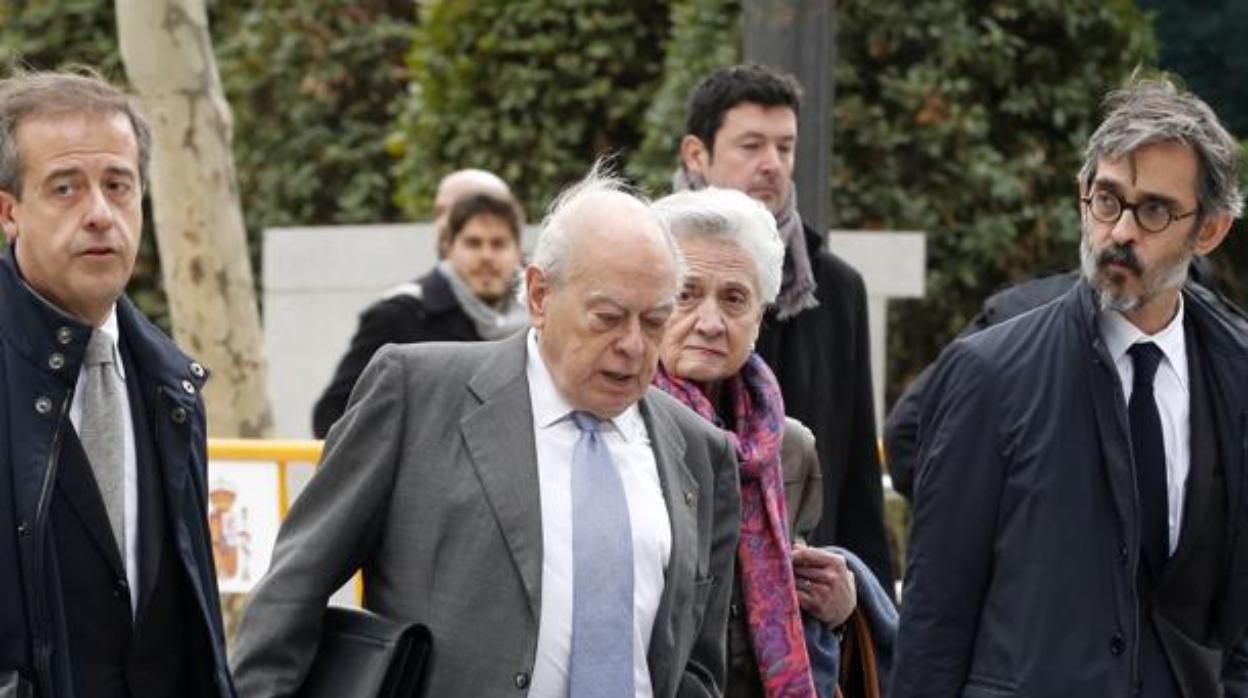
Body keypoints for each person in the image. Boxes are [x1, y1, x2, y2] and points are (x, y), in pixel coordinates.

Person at [231, 166, 742, 697]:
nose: (634, 345)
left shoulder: (700, 451)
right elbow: (295, 586)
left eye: (654, 321)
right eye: (608, 318)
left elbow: (698, 663)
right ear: (540, 295)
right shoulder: (416, 394)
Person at [893, 78, 1248, 695]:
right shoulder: (991, 372)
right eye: (1107, 200)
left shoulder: (1236, 370)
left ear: (1210, 231)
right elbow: (936, 613)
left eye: (1155, 210)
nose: (1120, 231)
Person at [0, 70, 234, 697]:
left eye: (118, 186)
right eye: (65, 189)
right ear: (9, 210)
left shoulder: (172, 383)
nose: (100, 214)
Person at [678, 64, 892, 591]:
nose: (772, 164)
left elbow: (856, 467)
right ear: (696, 155)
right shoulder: (645, 268)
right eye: (751, 145)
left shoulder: (835, 287)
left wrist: (865, 598)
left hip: (799, 596)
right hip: (677, 580)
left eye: (785, 147)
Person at [650, 187, 858, 698]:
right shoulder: (617, 430)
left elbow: (792, 583)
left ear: (761, 316)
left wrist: (840, 606)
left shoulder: (789, 448)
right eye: (686, 293)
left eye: (734, 298)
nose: (710, 321)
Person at [311, 189, 528, 437]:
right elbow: (333, 416)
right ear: (448, 248)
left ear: (518, 251)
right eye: (473, 243)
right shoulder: (400, 315)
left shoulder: (542, 320)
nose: (486, 256)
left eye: (499, 244)